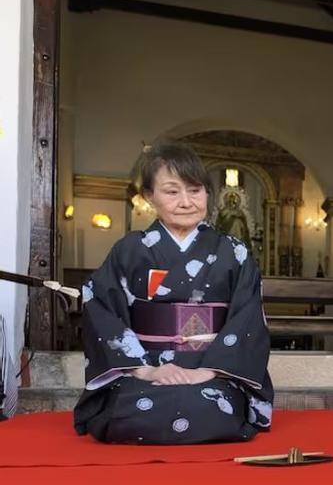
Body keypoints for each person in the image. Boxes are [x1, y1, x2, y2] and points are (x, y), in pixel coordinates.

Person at [74, 142, 274, 444]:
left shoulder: (234, 252)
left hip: (213, 368)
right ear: (149, 196)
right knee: (135, 405)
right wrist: (146, 371)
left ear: (207, 192)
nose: (186, 202)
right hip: (146, 365)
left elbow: (247, 319)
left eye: (195, 190)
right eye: (171, 192)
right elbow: (102, 308)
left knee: (206, 403)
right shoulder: (130, 249)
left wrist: (207, 372)